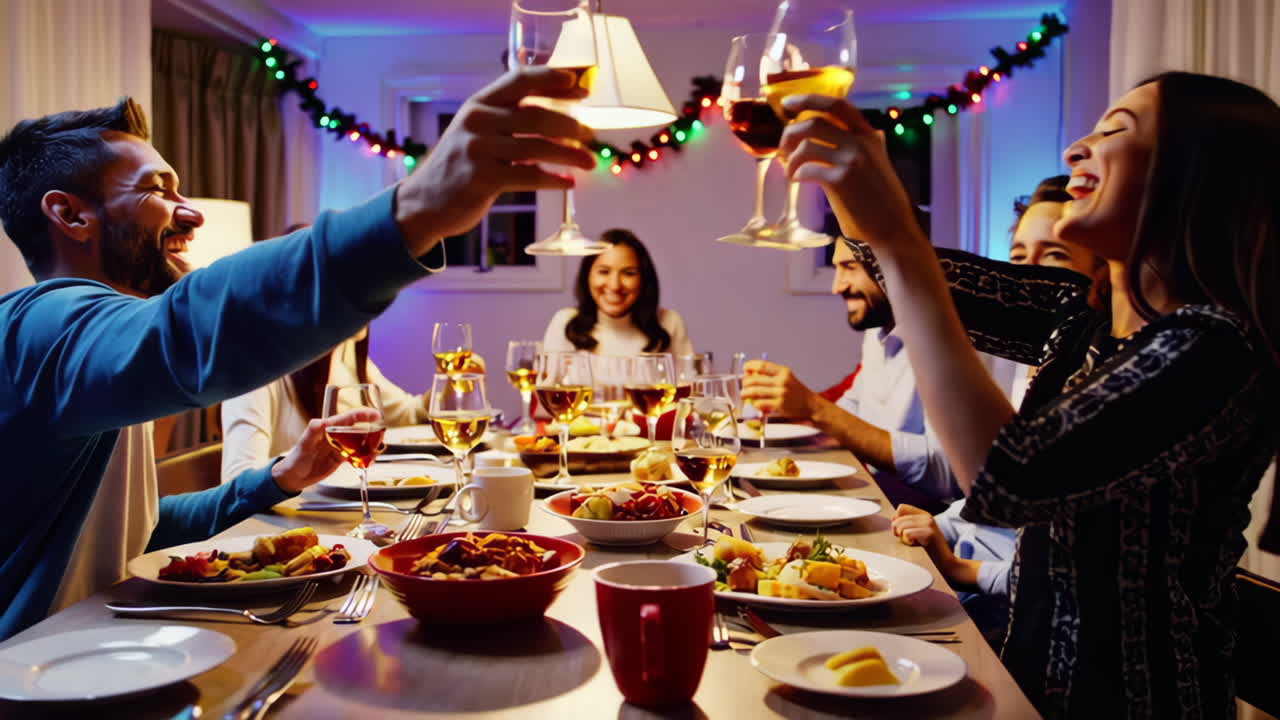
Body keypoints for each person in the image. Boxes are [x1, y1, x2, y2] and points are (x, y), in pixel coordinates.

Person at [0, 67, 595, 640]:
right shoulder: (39, 327)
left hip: (96, 649)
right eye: (158, 191)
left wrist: (276, 479)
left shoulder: (85, 352)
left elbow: (143, 530)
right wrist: (415, 208)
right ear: (70, 215)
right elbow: (192, 327)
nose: (192, 212)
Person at [781, 72, 1278, 716]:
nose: (1077, 148)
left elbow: (1007, 479)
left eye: (1116, 132)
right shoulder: (1081, 316)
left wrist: (899, 234)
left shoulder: (1215, 347)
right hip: (1025, 681)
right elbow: (905, 273)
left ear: (1197, 175)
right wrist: (848, 181)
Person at [891, 176, 1102, 645]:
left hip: (1017, 624)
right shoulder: (1034, 361)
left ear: (1101, 277)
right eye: (1019, 257)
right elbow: (982, 498)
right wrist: (933, 526)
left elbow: (1069, 573)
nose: (1029, 275)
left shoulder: (1106, 381)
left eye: (1054, 256)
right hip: (979, 589)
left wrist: (960, 568)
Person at [741, 238, 962, 506]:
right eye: (836, 268)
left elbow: (949, 475)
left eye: (850, 267)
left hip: (921, 513)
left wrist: (812, 407)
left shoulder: (952, 340)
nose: (837, 286)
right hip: (873, 489)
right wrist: (784, 410)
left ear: (898, 265)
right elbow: (854, 407)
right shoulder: (877, 327)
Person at [541, 228, 694, 356]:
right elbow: (546, 387)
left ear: (644, 279)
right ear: (587, 276)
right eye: (604, 272)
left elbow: (690, 386)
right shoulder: (565, 322)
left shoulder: (669, 322)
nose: (615, 286)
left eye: (628, 273)